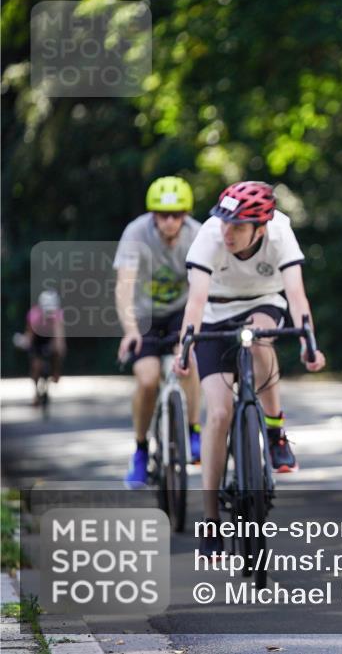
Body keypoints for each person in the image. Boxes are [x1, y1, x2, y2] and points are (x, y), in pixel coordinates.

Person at [173, 181, 326, 556]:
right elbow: (194, 302)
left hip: (262, 302)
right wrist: (184, 346)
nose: (228, 232)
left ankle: (275, 432)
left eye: (239, 226)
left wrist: (309, 343)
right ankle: (210, 519)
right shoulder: (210, 236)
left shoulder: (280, 232)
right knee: (219, 413)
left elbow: (296, 295)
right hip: (213, 314)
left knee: (260, 338)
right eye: (225, 222)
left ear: (261, 227)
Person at [115, 176, 204, 488]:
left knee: (188, 361)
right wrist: (129, 331)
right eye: (163, 215)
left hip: (183, 309)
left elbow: (203, 288)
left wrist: (193, 329)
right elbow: (124, 287)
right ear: (153, 215)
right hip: (144, 314)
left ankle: (193, 430)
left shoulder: (198, 235)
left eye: (177, 214)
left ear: (186, 214)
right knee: (147, 379)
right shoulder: (136, 233)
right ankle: (140, 451)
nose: (170, 221)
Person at [22, 290, 66, 404]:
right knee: (36, 365)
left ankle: (56, 372)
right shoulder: (34, 315)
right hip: (37, 339)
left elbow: (59, 334)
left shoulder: (57, 314)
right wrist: (26, 344)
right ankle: (36, 392)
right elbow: (30, 334)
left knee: (57, 351)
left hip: (50, 338)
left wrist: (60, 347)